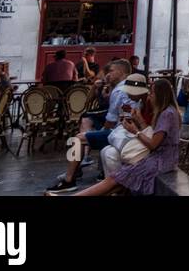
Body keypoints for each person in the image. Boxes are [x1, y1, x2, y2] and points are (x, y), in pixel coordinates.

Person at [70, 77, 181, 196]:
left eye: (152, 93)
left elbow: (153, 143)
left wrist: (135, 130)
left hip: (155, 158)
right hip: (124, 136)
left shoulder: (165, 113)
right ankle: (70, 178)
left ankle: (69, 179)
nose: (150, 95)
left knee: (80, 140)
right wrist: (136, 122)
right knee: (114, 179)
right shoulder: (155, 108)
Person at [46, 64, 143, 192]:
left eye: (111, 71)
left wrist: (100, 134)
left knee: (78, 139)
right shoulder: (120, 90)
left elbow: (112, 121)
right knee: (87, 121)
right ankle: (77, 168)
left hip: (121, 133)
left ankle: (69, 179)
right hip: (122, 131)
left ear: (121, 72)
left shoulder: (120, 91)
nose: (108, 74)